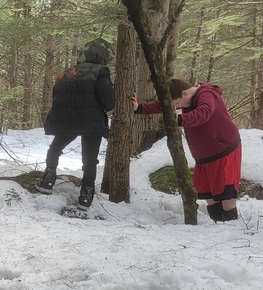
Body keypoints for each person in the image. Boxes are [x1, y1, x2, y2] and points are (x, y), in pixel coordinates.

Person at [133, 79, 241, 222]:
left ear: (184, 93)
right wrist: (139, 108)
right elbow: (163, 106)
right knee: (209, 195)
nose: (177, 107)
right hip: (204, 156)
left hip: (224, 150)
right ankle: (220, 227)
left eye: (177, 104)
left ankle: (231, 229)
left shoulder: (207, 94)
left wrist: (179, 120)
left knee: (226, 195)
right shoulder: (186, 98)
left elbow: (204, 113)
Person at [35, 38, 116, 211]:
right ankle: (86, 195)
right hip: (91, 123)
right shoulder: (101, 71)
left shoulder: (66, 72)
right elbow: (109, 103)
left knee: (55, 148)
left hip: (66, 120)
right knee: (89, 160)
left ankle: (48, 180)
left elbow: (56, 95)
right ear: (102, 56)